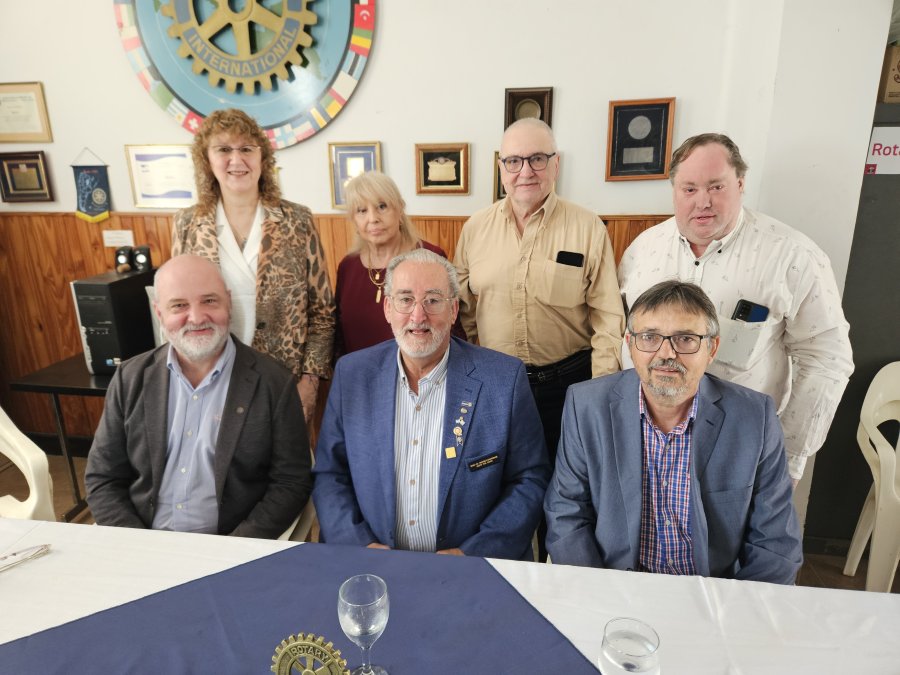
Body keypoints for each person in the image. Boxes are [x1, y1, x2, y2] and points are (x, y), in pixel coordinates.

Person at [618, 133, 853, 483]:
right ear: (674, 190)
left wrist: (787, 455)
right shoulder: (643, 250)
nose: (703, 201)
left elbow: (827, 358)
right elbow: (623, 337)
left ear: (740, 184)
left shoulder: (794, 256)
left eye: (716, 187)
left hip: (739, 448)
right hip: (645, 443)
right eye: (689, 189)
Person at [544, 280, 802, 584]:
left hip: (712, 591)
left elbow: (776, 544)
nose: (666, 353)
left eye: (686, 339)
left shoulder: (754, 418)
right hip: (615, 587)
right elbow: (566, 514)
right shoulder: (586, 405)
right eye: (649, 337)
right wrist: (601, 594)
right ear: (630, 345)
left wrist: (730, 608)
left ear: (712, 348)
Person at [454, 117, 624, 559]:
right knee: (498, 493)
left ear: (556, 164)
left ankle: (557, 581)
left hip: (567, 386)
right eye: (513, 161)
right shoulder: (474, 229)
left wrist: (600, 393)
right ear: (500, 167)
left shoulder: (587, 227)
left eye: (537, 159)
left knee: (565, 501)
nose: (525, 171)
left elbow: (608, 317)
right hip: (497, 386)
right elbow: (466, 310)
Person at [313, 248, 550, 561]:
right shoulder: (352, 375)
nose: (418, 316)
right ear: (387, 308)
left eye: (433, 300)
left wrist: (471, 554)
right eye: (405, 299)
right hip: (372, 566)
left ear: (453, 310)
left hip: (473, 569)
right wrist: (361, 546)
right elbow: (330, 474)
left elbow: (530, 480)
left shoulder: (504, 380)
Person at [85, 255, 312, 538]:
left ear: (229, 303)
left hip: (231, 546)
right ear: (159, 313)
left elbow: (291, 482)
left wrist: (235, 549)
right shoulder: (129, 378)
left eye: (209, 301)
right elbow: (103, 478)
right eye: (179, 305)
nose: (196, 318)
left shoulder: (274, 383)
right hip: (141, 541)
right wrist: (139, 544)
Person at [171, 108, 334, 426]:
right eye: (224, 149)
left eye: (246, 148)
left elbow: (323, 314)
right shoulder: (187, 224)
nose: (237, 160)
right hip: (211, 381)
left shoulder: (297, 221)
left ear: (263, 158)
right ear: (207, 159)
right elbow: (176, 311)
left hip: (283, 382)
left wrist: (310, 382)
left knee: (284, 459)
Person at [335, 170, 459, 355]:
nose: (373, 219)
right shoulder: (348, 266)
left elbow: (453, 328)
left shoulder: (431, 258)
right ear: (353, 219)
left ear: (400, 209)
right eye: (362, 211)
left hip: (419, 370)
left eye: (382, 206)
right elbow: (339, 337)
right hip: (359, 370)